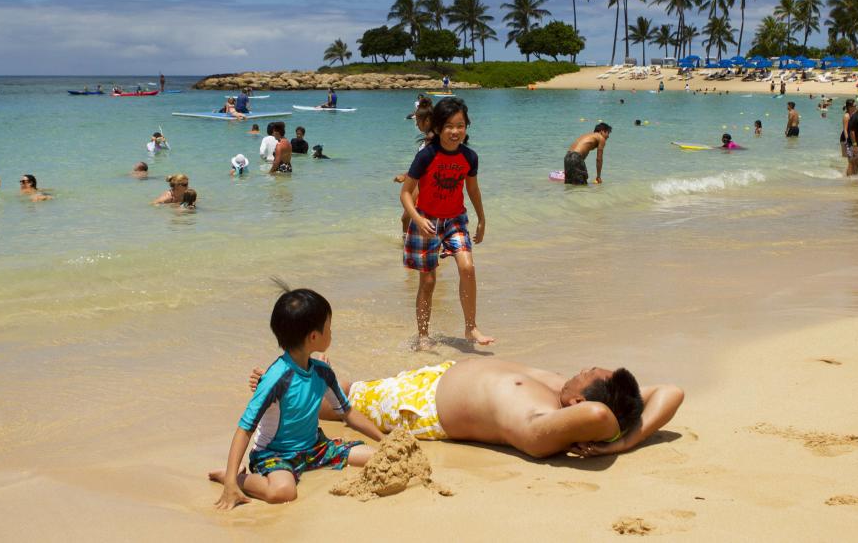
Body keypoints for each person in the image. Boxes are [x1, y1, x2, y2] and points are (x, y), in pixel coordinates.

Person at [249, 357, 684, 460]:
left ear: (577, 400)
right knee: (347, 386)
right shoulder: (564, 393)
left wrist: (615, 444)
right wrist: (630, 440)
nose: (584, 366)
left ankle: (272, 398)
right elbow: (673, 391)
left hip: (419, 407)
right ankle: (278, 387)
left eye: (589, 372)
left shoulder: (542, 419)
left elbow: (599, 418)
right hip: (430, 380)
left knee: (335, 402)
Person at [210, 285, 382, 510]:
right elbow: (245, 428)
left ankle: (238, 477)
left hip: (315, 448)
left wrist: (385, 440)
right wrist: (231, 482)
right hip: (275, 454)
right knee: (283, 493)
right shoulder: (276, 379)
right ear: (313, 336)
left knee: (379, 458)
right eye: (329, 328)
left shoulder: (322, 372)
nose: (331, 333)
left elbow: (347, 413)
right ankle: (235, 478)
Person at [400, 97, 494, 349]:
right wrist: (418, 219)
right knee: (428, 282)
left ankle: (470, 326)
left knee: (467, 267)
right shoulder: (427, 156)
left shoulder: (469, 157)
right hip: (426, 221)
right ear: (439, 128)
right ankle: (423, 335)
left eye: (460, 125)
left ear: (467, 126)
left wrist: (482, 219)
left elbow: (473, 190)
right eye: (450, 126)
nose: (455, 131)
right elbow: (406, 193)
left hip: (455, 220)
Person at [395, 104, 436, 233]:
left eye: (418, 121)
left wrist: (406, 175)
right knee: (407, 218)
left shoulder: (431, 140)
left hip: (423, 183)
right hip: (419, 181)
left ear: (427, 121)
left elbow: (426, 166)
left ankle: (406, 245)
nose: (416, 125)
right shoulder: (429, 139)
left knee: (406, 218)